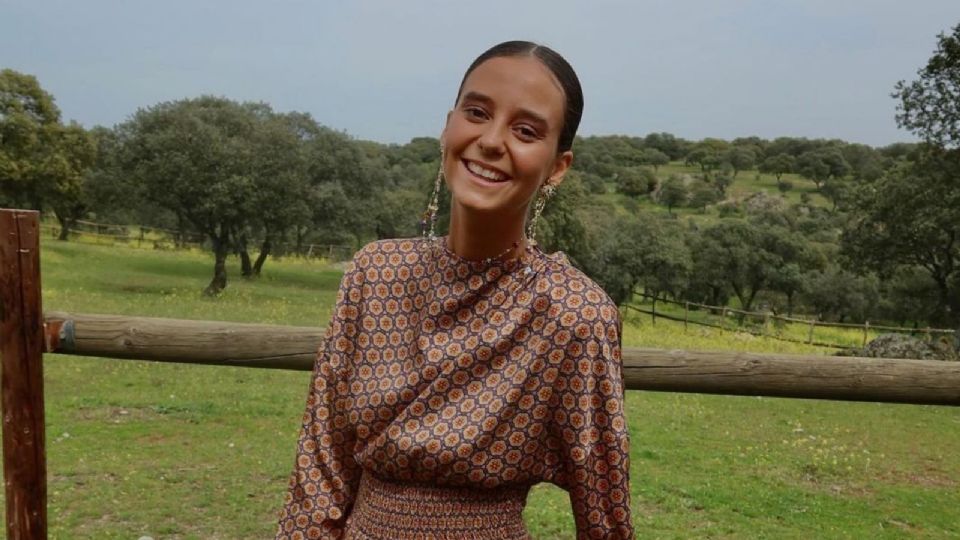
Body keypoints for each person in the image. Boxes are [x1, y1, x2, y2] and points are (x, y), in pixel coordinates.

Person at [275, 40, 634, 540]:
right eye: (477, 112)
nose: (491, 140)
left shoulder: (572, 312)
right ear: (448, 125)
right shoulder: (375, 273)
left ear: (557, 166)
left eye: (526, 130)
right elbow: (320, 468)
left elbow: (604, 509)